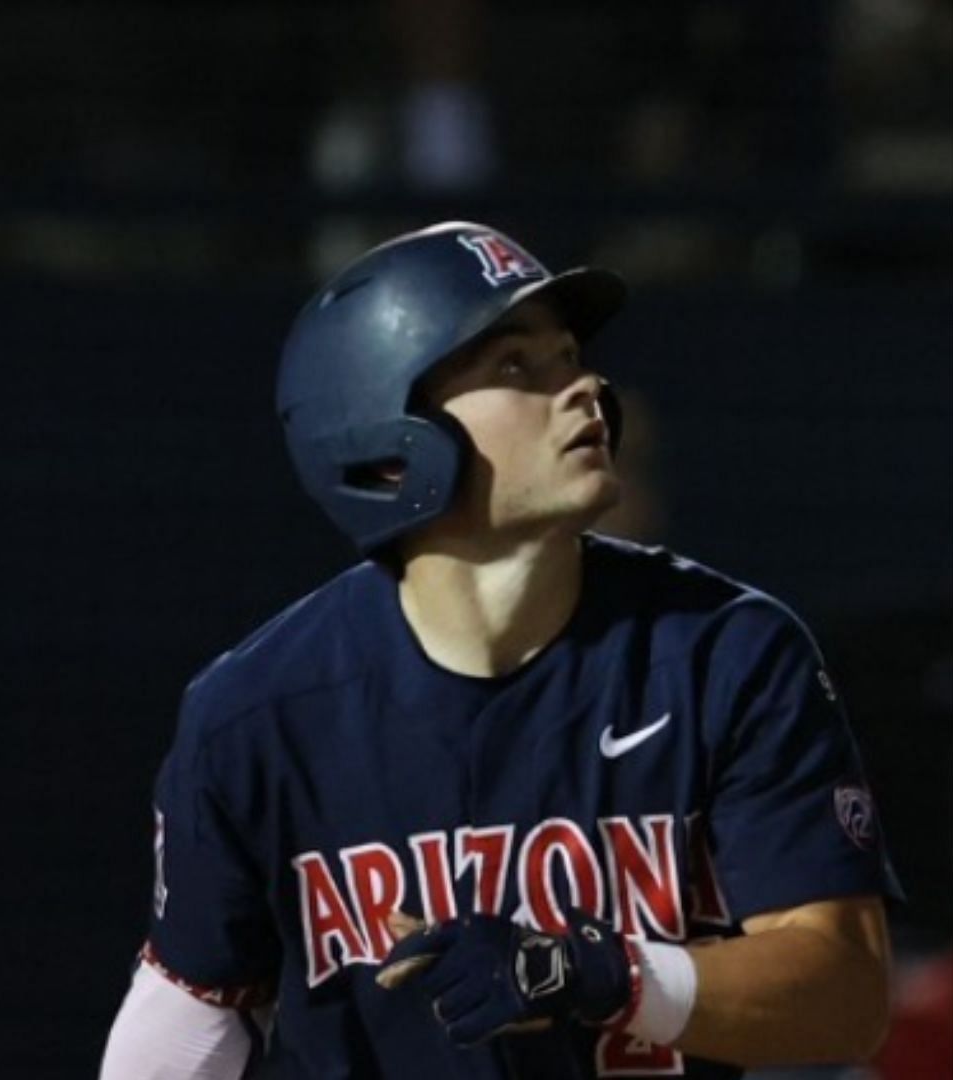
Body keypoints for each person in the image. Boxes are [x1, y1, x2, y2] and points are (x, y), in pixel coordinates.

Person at [99, 221, 898, 1078]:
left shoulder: (723, 654)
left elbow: (844, 993)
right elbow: (193, 1011)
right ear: (390, 440)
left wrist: (603, 972)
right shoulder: (257, 716)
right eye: (518, 367)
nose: (585, 385)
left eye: (571, 355)